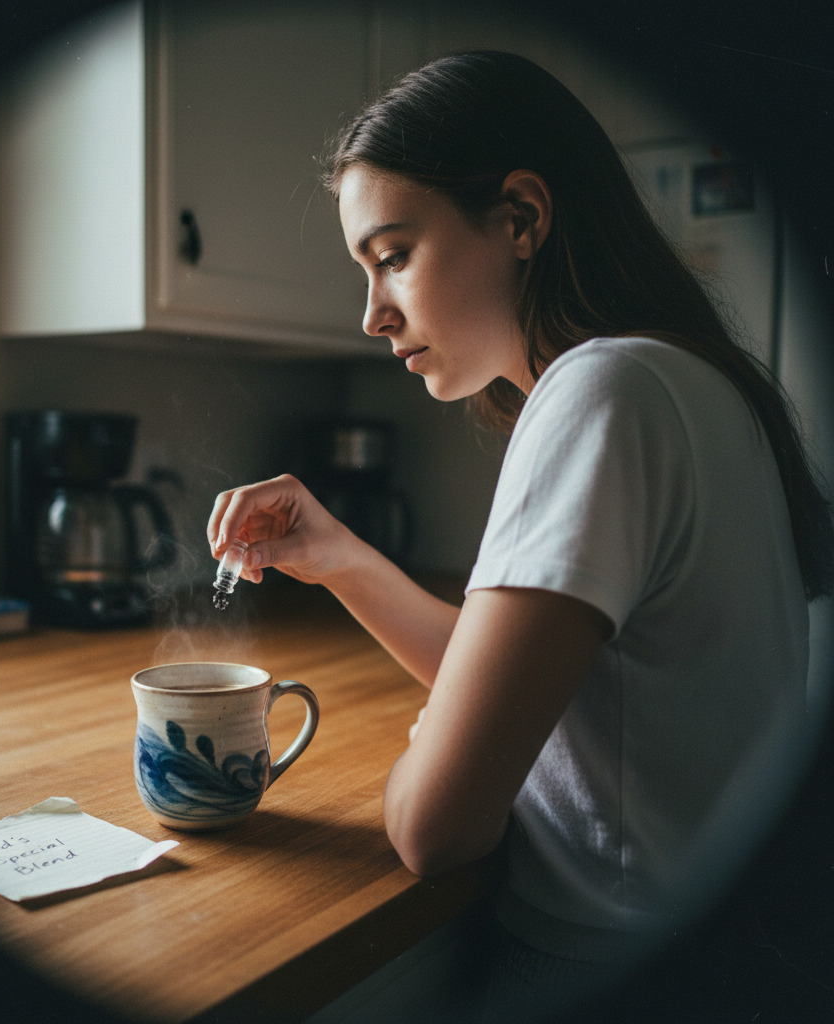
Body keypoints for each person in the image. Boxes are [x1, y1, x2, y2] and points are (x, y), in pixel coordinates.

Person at [208, 51, 834, 1019]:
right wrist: (336, 555)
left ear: (520, 219)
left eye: (392, 255)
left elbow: (433, 826)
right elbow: (520, 674)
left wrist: (422, 751)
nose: (371, 314)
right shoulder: (692, 384)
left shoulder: (597, 393)